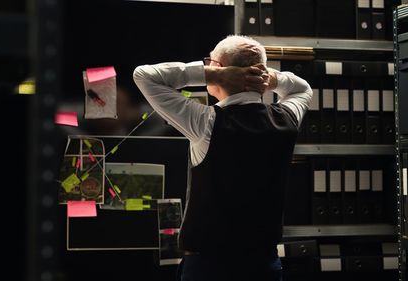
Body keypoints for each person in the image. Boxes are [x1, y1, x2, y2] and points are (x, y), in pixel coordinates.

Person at [133, 35, 312, 281]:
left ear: (218, 68)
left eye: (210, 63)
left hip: (211, 267)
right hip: (265, 265)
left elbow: (143, 75)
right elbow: (302, 87)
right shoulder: (286, 119)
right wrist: (268, 78)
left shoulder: (206, 123)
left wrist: (211, 75)